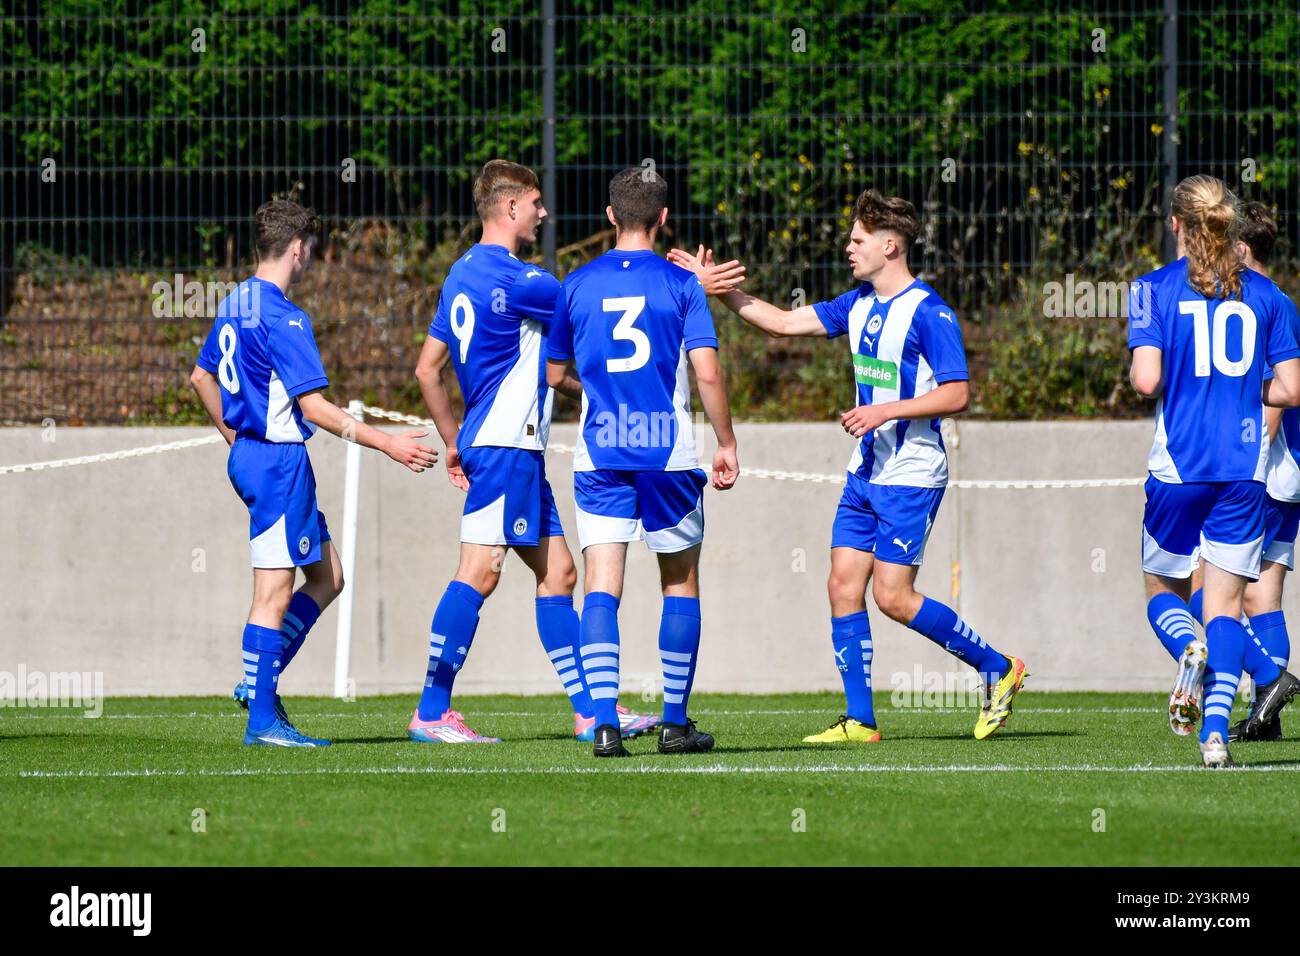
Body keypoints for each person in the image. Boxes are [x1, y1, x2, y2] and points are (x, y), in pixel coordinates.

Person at [670, 189, 1026, 744]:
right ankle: (860, 719)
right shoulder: (858, 303)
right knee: (842, 586)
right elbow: (783, 323)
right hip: (865, 472)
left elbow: (957, 393)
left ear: (890, 245)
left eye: (858, 240)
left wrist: (886, 409)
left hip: (911, 474)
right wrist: (718, 289)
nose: (848, 247)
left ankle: (996, 667)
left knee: (893, 597)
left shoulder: (930, 312)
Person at [408, 160, 658, 744]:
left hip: (499, 446)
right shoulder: (527, 282)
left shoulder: (461, 272)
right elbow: (598, 310)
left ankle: (594, 711)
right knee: (481, 570)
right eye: (538, 203)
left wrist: (452, 441)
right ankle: (431, 710)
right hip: (505, 448)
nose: (544, 213)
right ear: (512, 208)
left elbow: (427, 369)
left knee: (560, 574)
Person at [191, 199, 437, 747]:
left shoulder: (235, 302)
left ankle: (258, 682)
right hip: (278, 463)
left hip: (255, 458)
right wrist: (388, 445)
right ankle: (261, 718)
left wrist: (236, 437)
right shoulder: (283, 315)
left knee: (329, 577)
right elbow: (316, 410)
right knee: (274, 592)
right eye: (311, 253)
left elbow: (200, 378)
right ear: (298, 250)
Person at [546, 167, 740, 758]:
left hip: (601, 452)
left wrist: (602, 394)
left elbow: (553, 375)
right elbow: (706, 371)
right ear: (662, 219)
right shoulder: (682, 284)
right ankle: (675, 725)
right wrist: (727, 442)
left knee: (602, 586)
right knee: (679, 584)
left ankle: (603, 721)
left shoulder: (575, 283)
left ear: (609, 216)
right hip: (669, 456)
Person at [1130, 176, 1300, 767]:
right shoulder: (1271, 296)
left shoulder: (1151, 290)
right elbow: (1292, 388)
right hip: (1245, 470)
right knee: (1227, 606)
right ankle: (1217, 738)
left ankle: (1186, 645)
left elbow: (1147, 380)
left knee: (1163, 591)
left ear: (1176, 224)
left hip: (1179, 467)